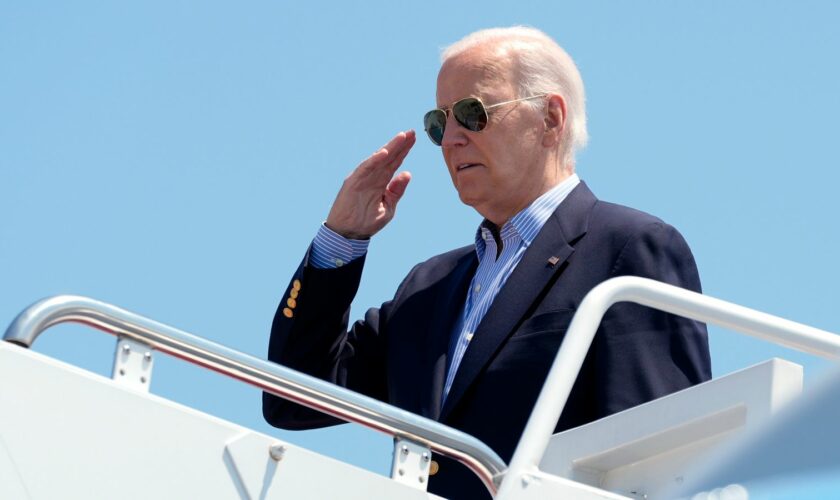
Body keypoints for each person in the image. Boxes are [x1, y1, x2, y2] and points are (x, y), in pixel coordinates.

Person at [263, 26, 712, 499]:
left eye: (474, 114)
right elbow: (293, 400)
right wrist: (342, 240)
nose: (451, 139)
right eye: (440, 123)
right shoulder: (428, 287)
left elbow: (662, 460)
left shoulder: (627, 249)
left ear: (550, 119)